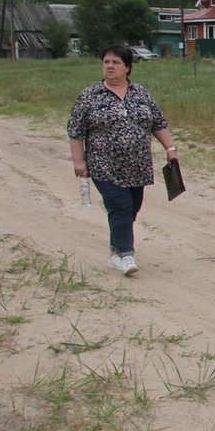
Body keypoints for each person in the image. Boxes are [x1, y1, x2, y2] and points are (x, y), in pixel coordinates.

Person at [67, 45, 178, 276]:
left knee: (131, 209)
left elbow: (158, 123)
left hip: (137, 165)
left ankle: (115, 250)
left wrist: (170, 148)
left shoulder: (141, 94)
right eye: (106, 62)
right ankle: (127, 256)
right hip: (103, 164)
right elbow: (76, 130)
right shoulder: (90, 96)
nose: (110, 66)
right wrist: (79, 161)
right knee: (121, 206)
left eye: (115, 62)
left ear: (127, 67)